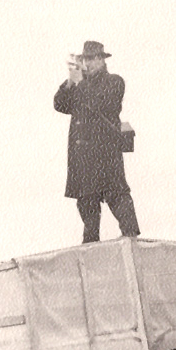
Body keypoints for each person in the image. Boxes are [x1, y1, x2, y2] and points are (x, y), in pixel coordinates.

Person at [54, 40, 141, 244]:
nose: (89, 63)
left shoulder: (114, 81)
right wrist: (71, 81)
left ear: (102, 60)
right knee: (86, 202)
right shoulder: (78, 85)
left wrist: (79, 83)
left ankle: (131, 236)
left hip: (105, 152)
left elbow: (101, 103)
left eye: (93, 58)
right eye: (86, 59)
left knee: (117, 194)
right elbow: (59, 104)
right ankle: (90, 243)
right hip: (82, 157)